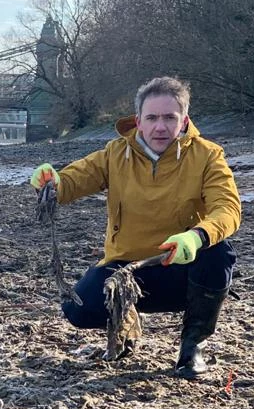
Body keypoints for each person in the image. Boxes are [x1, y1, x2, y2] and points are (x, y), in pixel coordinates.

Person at [29, 76, 241, 378]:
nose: (160, 126)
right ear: (138, 121)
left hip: (182, 265)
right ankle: (125, 321)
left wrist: (196, 237)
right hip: (127, 270)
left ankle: (193, 347)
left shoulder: (208, 155)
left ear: (184, 121)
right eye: (152, 117)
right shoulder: (115, 153)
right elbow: (76, 179)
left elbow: (228, 209)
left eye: (170, 117)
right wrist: (53, 182)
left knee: (217, 252)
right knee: (78, 310)